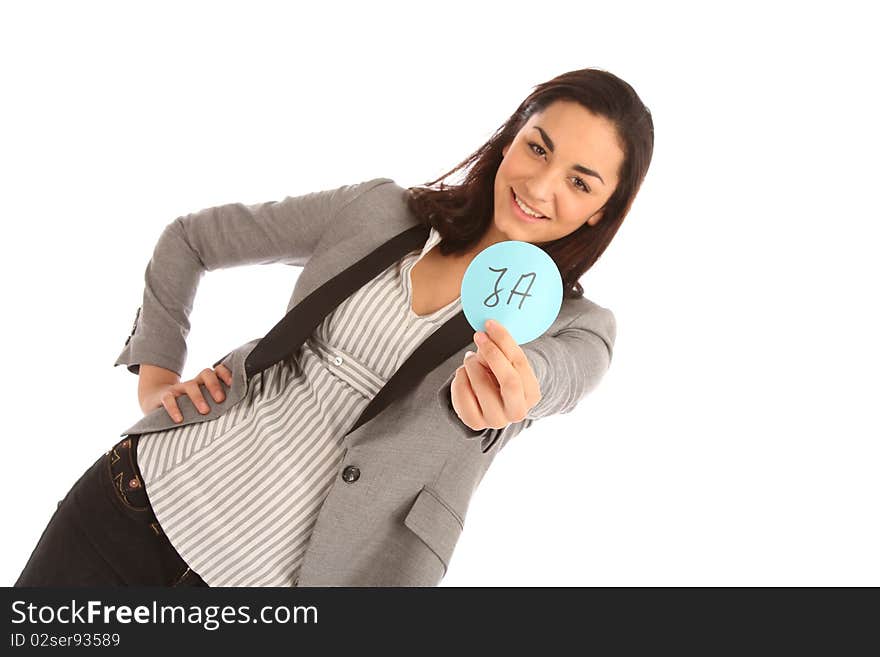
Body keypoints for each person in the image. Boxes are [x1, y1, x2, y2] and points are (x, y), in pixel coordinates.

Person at [14, 67, 653, 587]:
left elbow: (559, 377)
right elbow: (190, 240)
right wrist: (156, 376)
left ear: (603, 211)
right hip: (136, 502)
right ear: (510, 138)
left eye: (579, 181)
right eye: (537, 147)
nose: (540, 185)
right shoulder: (377, 210)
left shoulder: (574, 329)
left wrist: (518, 386)